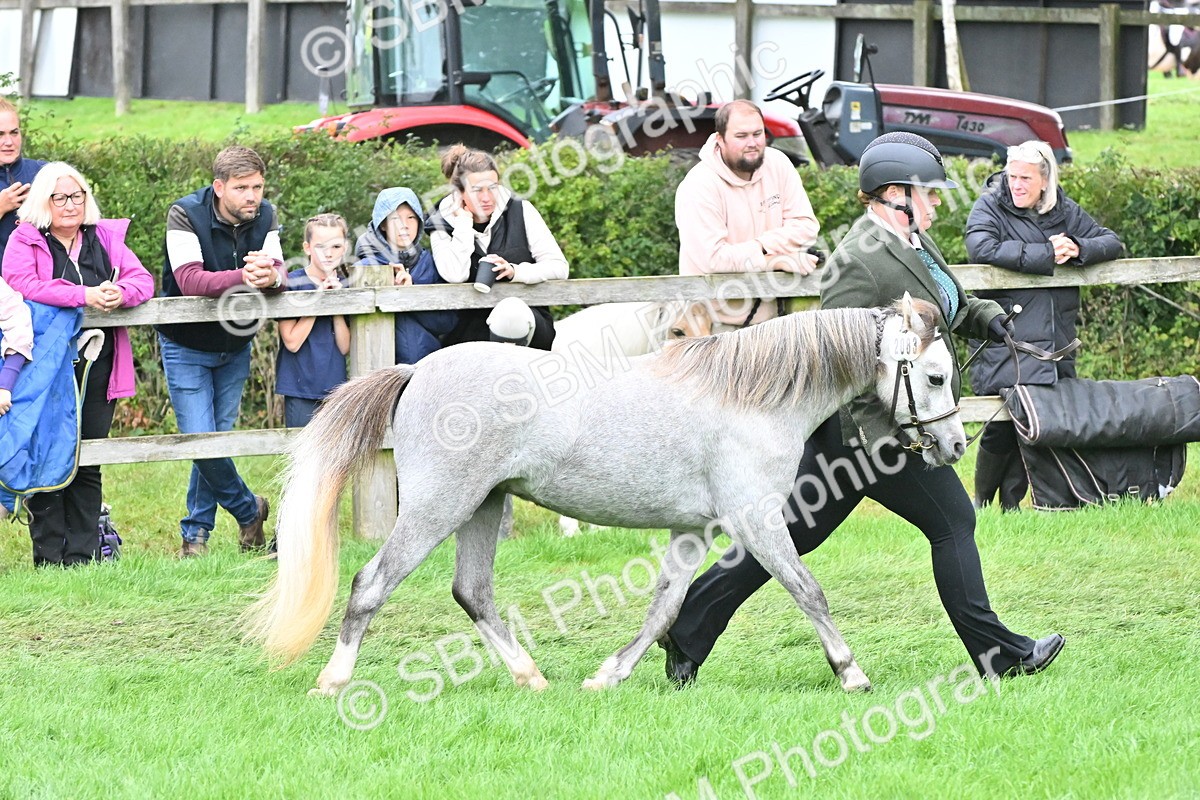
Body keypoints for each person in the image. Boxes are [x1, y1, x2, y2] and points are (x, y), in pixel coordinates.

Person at [662, 133, 1064, 685]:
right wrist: (889, 437)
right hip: (872, 435)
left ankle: (686, 627)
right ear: (894, 193)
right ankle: (1004, 656)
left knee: (791, 535)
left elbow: (947, 306)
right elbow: (838, 357)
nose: (939, 202)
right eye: (929, 192)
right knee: (954, 522)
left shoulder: (914, 242)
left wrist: (986, 318)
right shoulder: (859, 259)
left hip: (877, 434)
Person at [1, 162, 154, 566]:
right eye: (60, 197)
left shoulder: (103, 237)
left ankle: (82, 556)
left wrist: (119, 293)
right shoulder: (25, 239)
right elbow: (21, 285)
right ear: (43, 201)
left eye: (77, 196)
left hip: (97, 365)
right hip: (44, 368)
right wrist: (82, 295)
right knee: (48, 452)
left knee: (88, 457)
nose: (70, 204)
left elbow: (143, 280)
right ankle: (49, 556)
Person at [965, 140, 1123, 511]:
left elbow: (1111, 242)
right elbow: (981, 248)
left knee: (1037, 425)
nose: (1016, 184)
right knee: (1002, 424)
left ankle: (1011, 505)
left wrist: (1076, 247)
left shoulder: (1062, 208)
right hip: (1008, 332)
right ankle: (983, 504)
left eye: (1025, 178)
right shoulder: (990, 203)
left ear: (1045, 180)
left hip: (1054, 337)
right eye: (1012, 176)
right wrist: (1046, 254)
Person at [157, 145, 284, 558]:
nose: (253, 197)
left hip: (236, 342)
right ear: (219, 187)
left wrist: (270, 276)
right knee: (202, 439)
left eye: (258, 187)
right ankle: (250, 511)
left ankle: (195, 537)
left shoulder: (265, 216)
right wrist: (246, 276)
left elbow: (279, 271)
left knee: (216, 441)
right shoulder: (184, 213)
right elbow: (190, 279)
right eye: (243, 188)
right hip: (186, 342)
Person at [675, 99, 820, 331]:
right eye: (741, 136)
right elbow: (713, 261)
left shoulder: (779, 164)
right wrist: (772, 260)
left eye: (757, 133)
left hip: (775, 318)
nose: (752, 143)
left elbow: (806, 227)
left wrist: (760, 247)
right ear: (720, 139)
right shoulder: (699, 186)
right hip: (715, 324)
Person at [425, 144, 567, 350]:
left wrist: (515, 271)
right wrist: (463, 224)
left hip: (527, 321)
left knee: (511, 312)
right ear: (459, 192)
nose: (487, 197)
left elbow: (560, 267)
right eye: (477, 190)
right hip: (469, 332)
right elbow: (455, 275)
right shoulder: (439, 222)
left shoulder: (521, 209)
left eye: (492, 187)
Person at [355, 187, 456, 364]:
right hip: (379, 373)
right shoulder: (363, 269)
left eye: (411, 217)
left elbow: (447, 323)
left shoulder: (432, 263)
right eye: (395, 218)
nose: (404, 225)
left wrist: (412, 293)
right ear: (383, 224)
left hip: (426, 370)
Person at [276, 213, 351, 428]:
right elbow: (292, 341)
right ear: (307, 248)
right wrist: (318, 300)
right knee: (301, 455)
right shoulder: (293, 282)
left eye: (336, 247)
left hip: (336, 387)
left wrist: (335, 302)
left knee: (333, 456)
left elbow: (345, 346)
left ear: (344, 247)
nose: (328, 254)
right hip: (300, 386)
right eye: (320, 246)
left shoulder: (346, 286)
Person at [0, 98, 46, 261]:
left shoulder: (44, 173)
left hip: (42, 281)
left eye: (14, 132)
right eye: (0, 134)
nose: (9, 142)